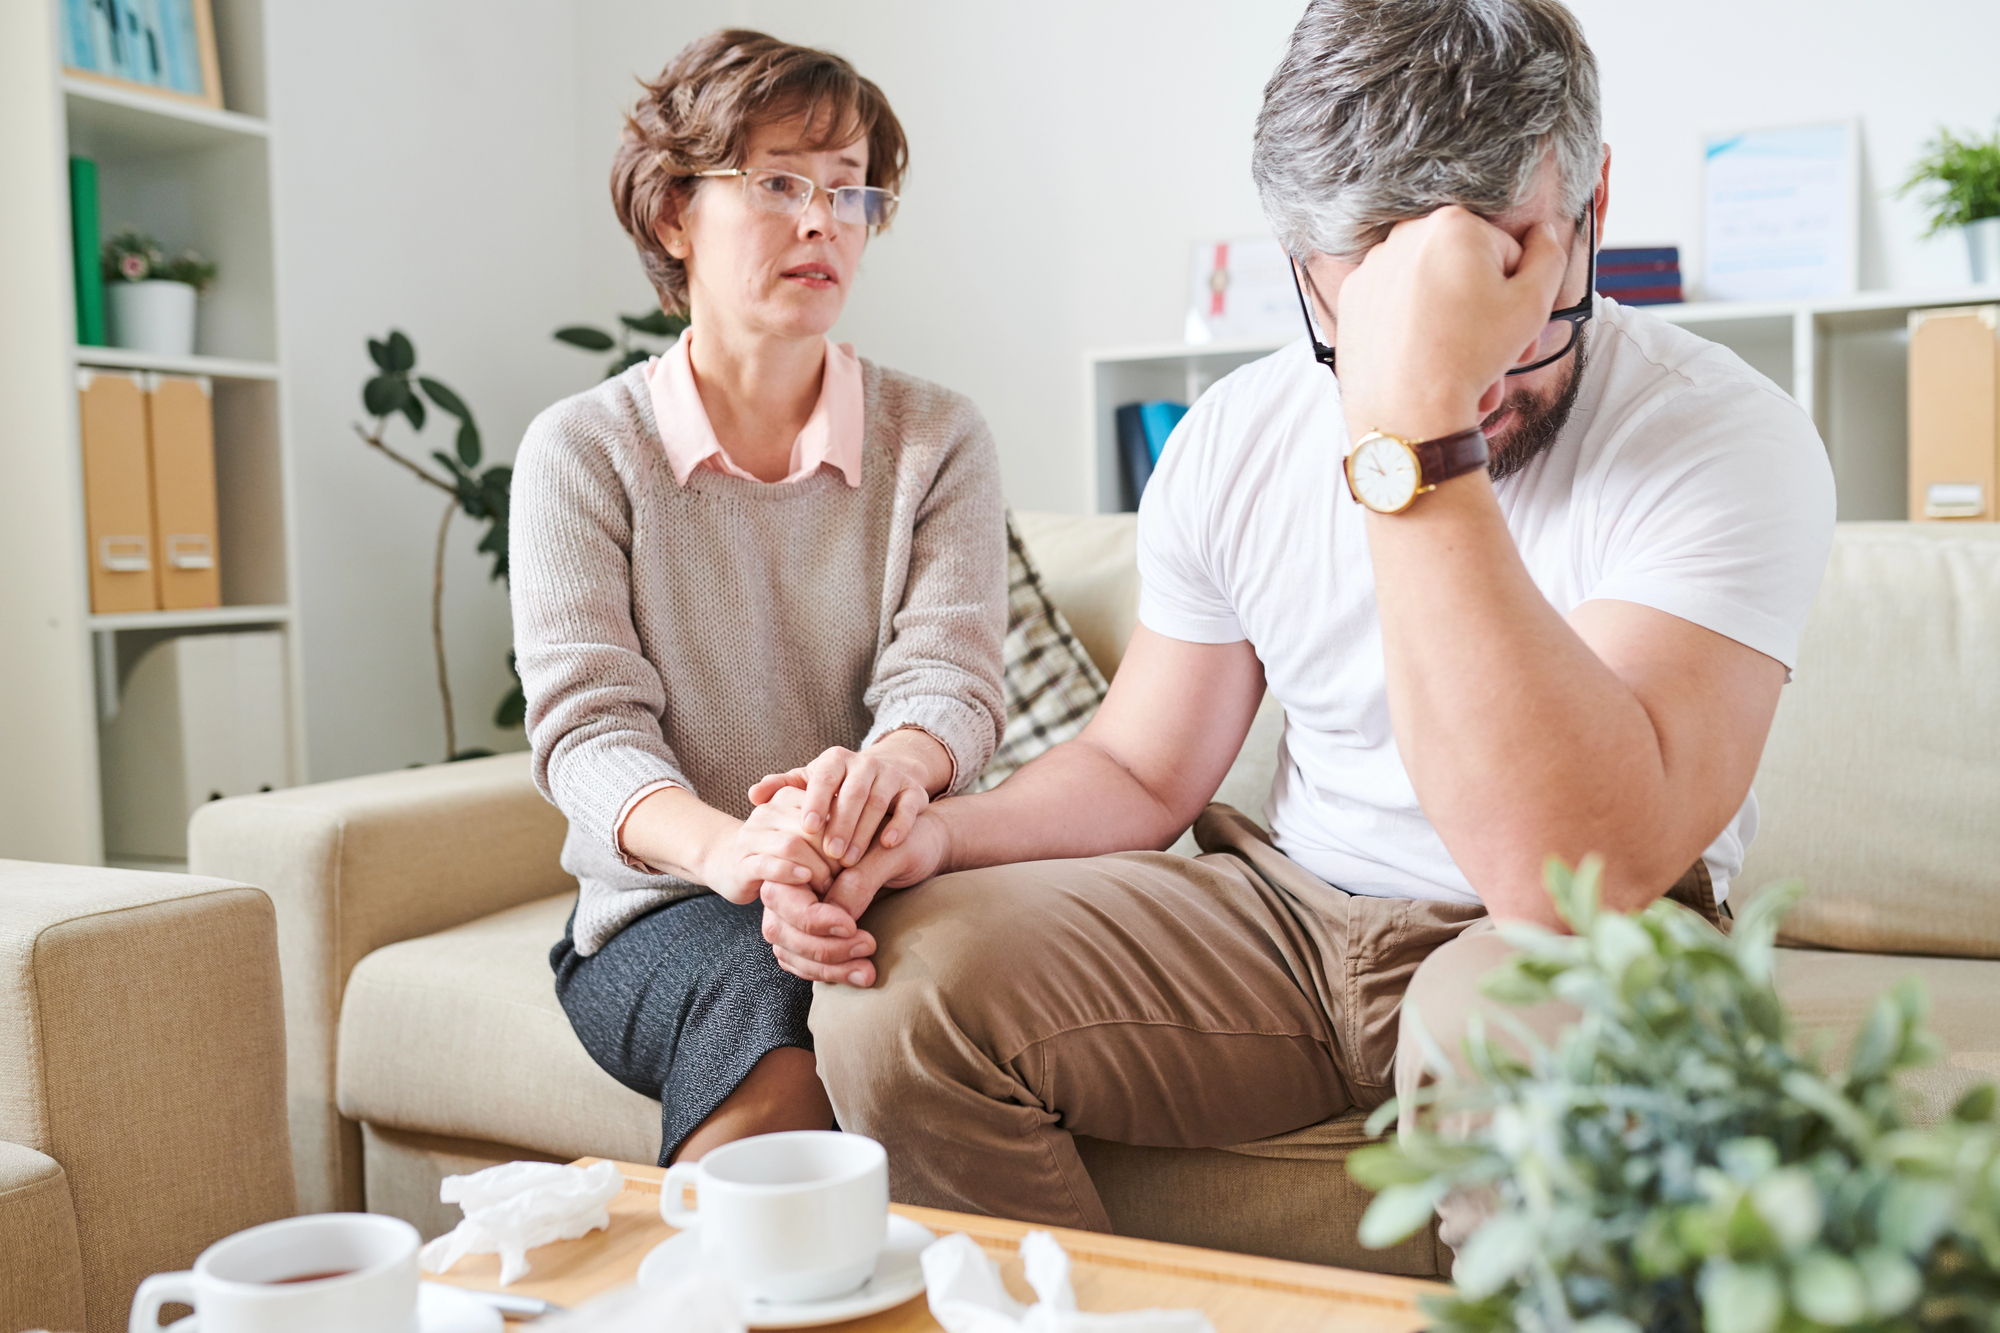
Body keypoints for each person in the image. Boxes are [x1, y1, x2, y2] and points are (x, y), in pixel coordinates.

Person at [758, 0, 1837, 1240]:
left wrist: (1413, 424)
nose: (1477, 373)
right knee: (890, 994)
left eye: (1506, 290)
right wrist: (937, 839)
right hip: (1290, 915)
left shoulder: (1721, 434)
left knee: (1501, 1037)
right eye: (1373, 314)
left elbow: (1559, 878)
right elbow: (1139, 763)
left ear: (1591, 206)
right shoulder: (1235, 431)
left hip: (1576, 938)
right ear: (1306, 269)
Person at [509, 29, 1007, 1167]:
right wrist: (739, 854)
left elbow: (949, 682)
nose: (823, 220)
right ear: (672, 213)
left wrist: (864, 792)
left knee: (912, 980)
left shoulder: (935, 438)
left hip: (880, 875)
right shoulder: (581, 450)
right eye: (779, 182)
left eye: (849, 191)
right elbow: (586, 733)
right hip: (664, 906)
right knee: (770, 988)